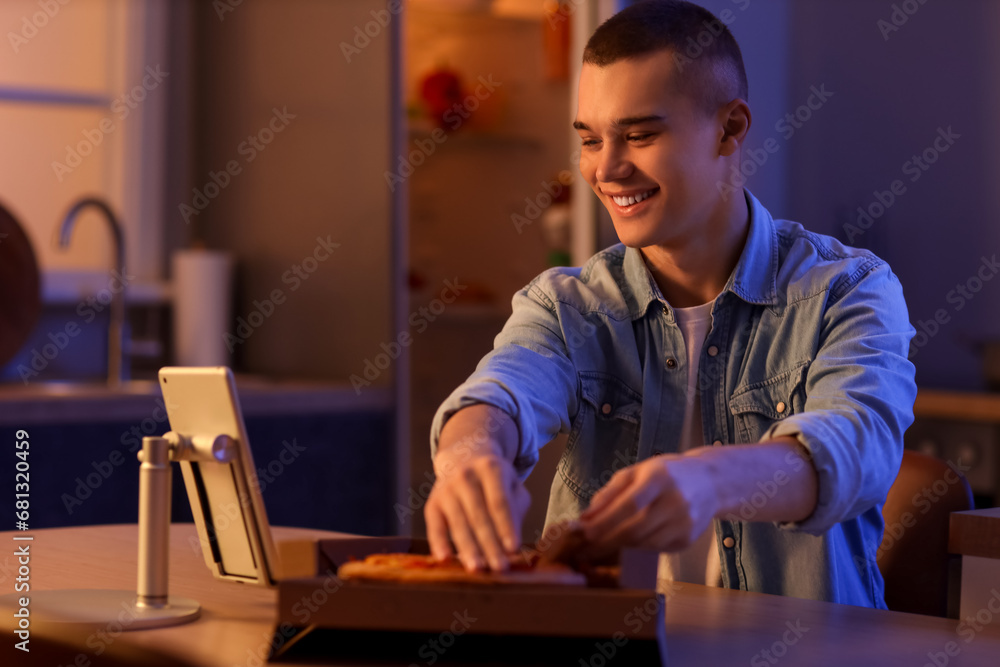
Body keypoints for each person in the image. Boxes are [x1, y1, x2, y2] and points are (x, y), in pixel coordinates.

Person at [424, 0, 916, 608]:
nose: (606, 169)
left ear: (731, 129)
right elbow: (501, 392)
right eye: (590, 139)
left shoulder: (848, 289)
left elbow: (857, 444)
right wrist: (471, 454)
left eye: (639, 135)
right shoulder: (567, 305)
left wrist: (709, 479)